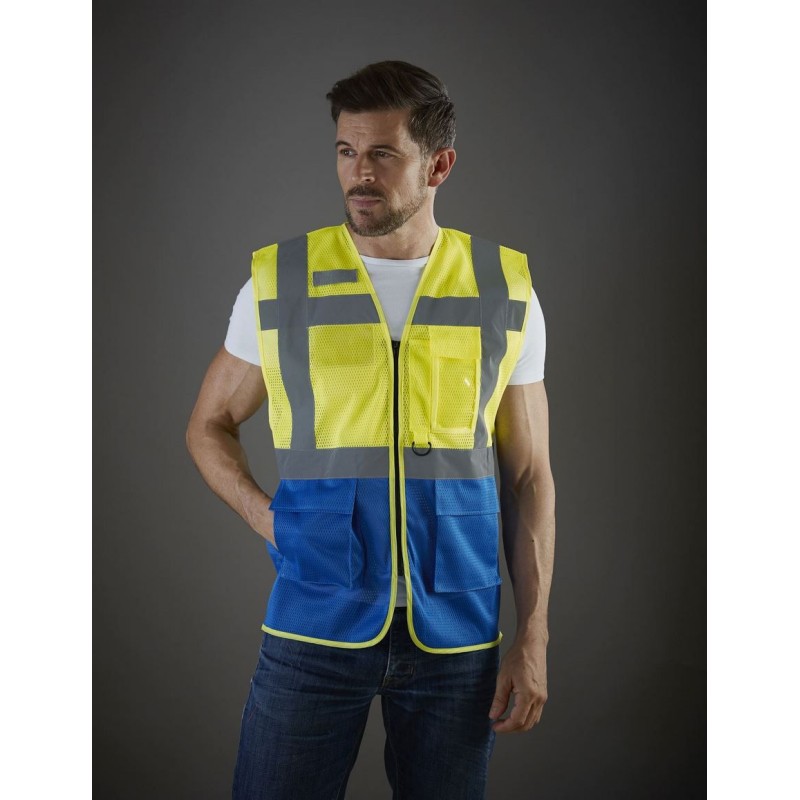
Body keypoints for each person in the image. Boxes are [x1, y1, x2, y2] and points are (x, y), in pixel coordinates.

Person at [186, 60, 556, 800]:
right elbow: (209, 424)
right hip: (315, 620)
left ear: (439, 165)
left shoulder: (502, 287)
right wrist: (267, 519)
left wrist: (534, 634)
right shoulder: (280, 282)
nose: (359, 173)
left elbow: (528, 476)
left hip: (456, 635)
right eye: (346, 151)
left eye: (383, 153)